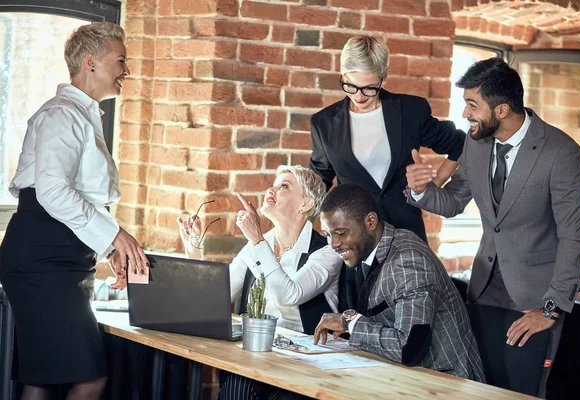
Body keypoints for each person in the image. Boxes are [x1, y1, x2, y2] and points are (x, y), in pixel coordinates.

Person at [406, 57, 580, 395]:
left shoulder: (561, 152)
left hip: (537, 297)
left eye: (472, 105)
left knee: (522, 389)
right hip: (484, 287)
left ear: (502, 110)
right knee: (475, 382)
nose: (465, 115)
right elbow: (453, 202)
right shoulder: (475, 143)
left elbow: (573, 237)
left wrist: (550, 311)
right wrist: (420, 190)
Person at [0, 22, 148, 400]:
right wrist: (114, 235)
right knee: (88, 376)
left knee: (44, 376)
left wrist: (110, 245)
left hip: (62, 256)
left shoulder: (84, 114)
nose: (126, 72)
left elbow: (79, 199)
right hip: (42, 257)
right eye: (121, 61)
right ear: (91, 63)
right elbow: (53, 193)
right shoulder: (62, 114)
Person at [178, 165, 342, 400]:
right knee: (237, 382)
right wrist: (195, 254)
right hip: (256, 355)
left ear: (306, 204)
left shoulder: (326, 252)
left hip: (305, 365)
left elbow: (289, 294)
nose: (271, 189)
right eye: (273, 184)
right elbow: (217, 297)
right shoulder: (257, 244)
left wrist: (256, 239)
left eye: (283, 186)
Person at [314, 183, 485, 382]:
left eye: (341, 233)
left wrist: (349, 323)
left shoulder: (408, 260)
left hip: (447, 384)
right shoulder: (368, 249)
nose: (333, 244)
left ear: (370, 221)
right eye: (327, 235)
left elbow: (409, 348)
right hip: (402, 379)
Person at [309, 35, 465, 243]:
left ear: (384, 77)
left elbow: (459, 144)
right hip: (354, 239)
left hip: (406, 232)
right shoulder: (324, 123)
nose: (359, 96)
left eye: (370, 88)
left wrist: (432, 187)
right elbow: (319, 183)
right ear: (342, 74)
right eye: (350, 86)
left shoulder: (411, 111)